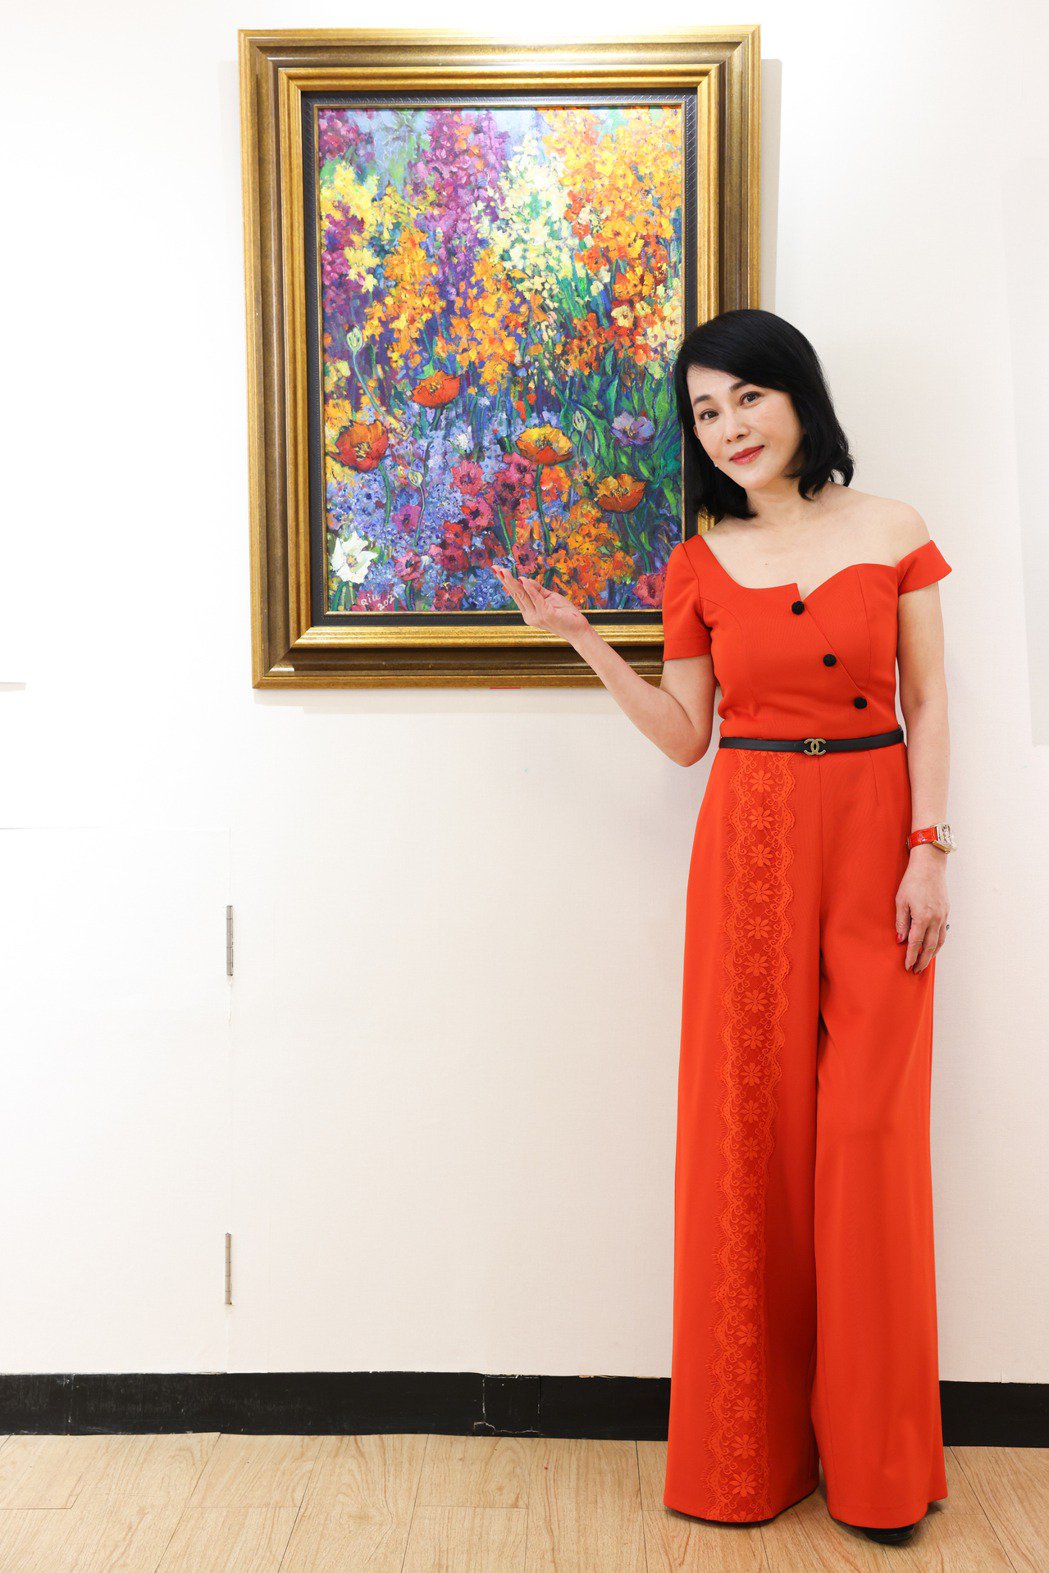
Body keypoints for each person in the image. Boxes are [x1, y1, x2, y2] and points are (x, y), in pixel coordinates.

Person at [494, 307, 953, 1548]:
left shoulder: (892, 530)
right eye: (704, 410)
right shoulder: (696, 563)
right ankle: (748, 1459)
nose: (729, 426)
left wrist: (929, 849)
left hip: (876, 836)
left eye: (746, 396)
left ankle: (876, 1470)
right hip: (747, 839)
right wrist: (584, 640)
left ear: (797, 395)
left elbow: (924, 703)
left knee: (865, 1142)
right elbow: (686, 734)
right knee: (744, 1140)